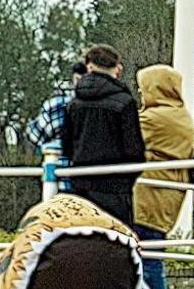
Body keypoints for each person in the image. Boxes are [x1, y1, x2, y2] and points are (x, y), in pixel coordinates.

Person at [135, 66, 194, 289]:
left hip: (149, 196)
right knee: (152, 255)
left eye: (145, 87)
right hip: (167, 196)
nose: (142, 93)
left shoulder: (155, 119)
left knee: (147, 258)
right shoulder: (182, 116)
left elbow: (124, 135)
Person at [61, 45, 147, 228]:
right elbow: (134, 150)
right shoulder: (124, 102)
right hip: (116, 187)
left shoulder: (73, 104)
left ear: (89, 67)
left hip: (82, 184)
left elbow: (67, 147)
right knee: (117, 243)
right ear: (117, 69)